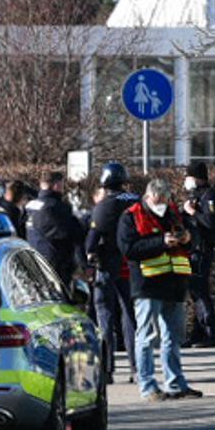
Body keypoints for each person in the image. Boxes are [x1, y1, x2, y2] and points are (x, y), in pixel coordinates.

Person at [117, 177, 202, 402]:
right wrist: (161, 242)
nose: (161, 204)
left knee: (172, 336)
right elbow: (129, 249)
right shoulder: (131, 216)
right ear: (147, 197)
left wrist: (187, 238)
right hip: (147, 285)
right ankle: (147, 386)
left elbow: (193, 238)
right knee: (146, 336)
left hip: (174, 283)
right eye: (157, 200)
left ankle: (175, 383)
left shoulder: (174, 213)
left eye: (164, 200)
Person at [87, 162, 139, 382]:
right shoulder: (137, 202)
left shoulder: (103, 206)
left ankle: (107, 370)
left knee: (105, 315)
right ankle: (137, 368)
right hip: (132, 265)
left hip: (107, 265)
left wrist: (89, 255)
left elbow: (91, 239)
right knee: (131, 316)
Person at [181, 161, 215, 347]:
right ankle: (198, 332)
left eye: (189, 176)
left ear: (197, 178)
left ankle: (210, 333)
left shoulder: (210, 197)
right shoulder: (196, 195)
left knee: (200, 291)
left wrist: (193, 212)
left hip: (202, 249)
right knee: (195, 291)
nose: (186, 180)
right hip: (192, 249)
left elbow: (210, 223)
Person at [24, 171, 85, 286]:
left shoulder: (30, 205)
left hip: (33, 260)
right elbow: (74, 235)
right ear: (57, 185)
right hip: (55, 264)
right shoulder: (57, 207)